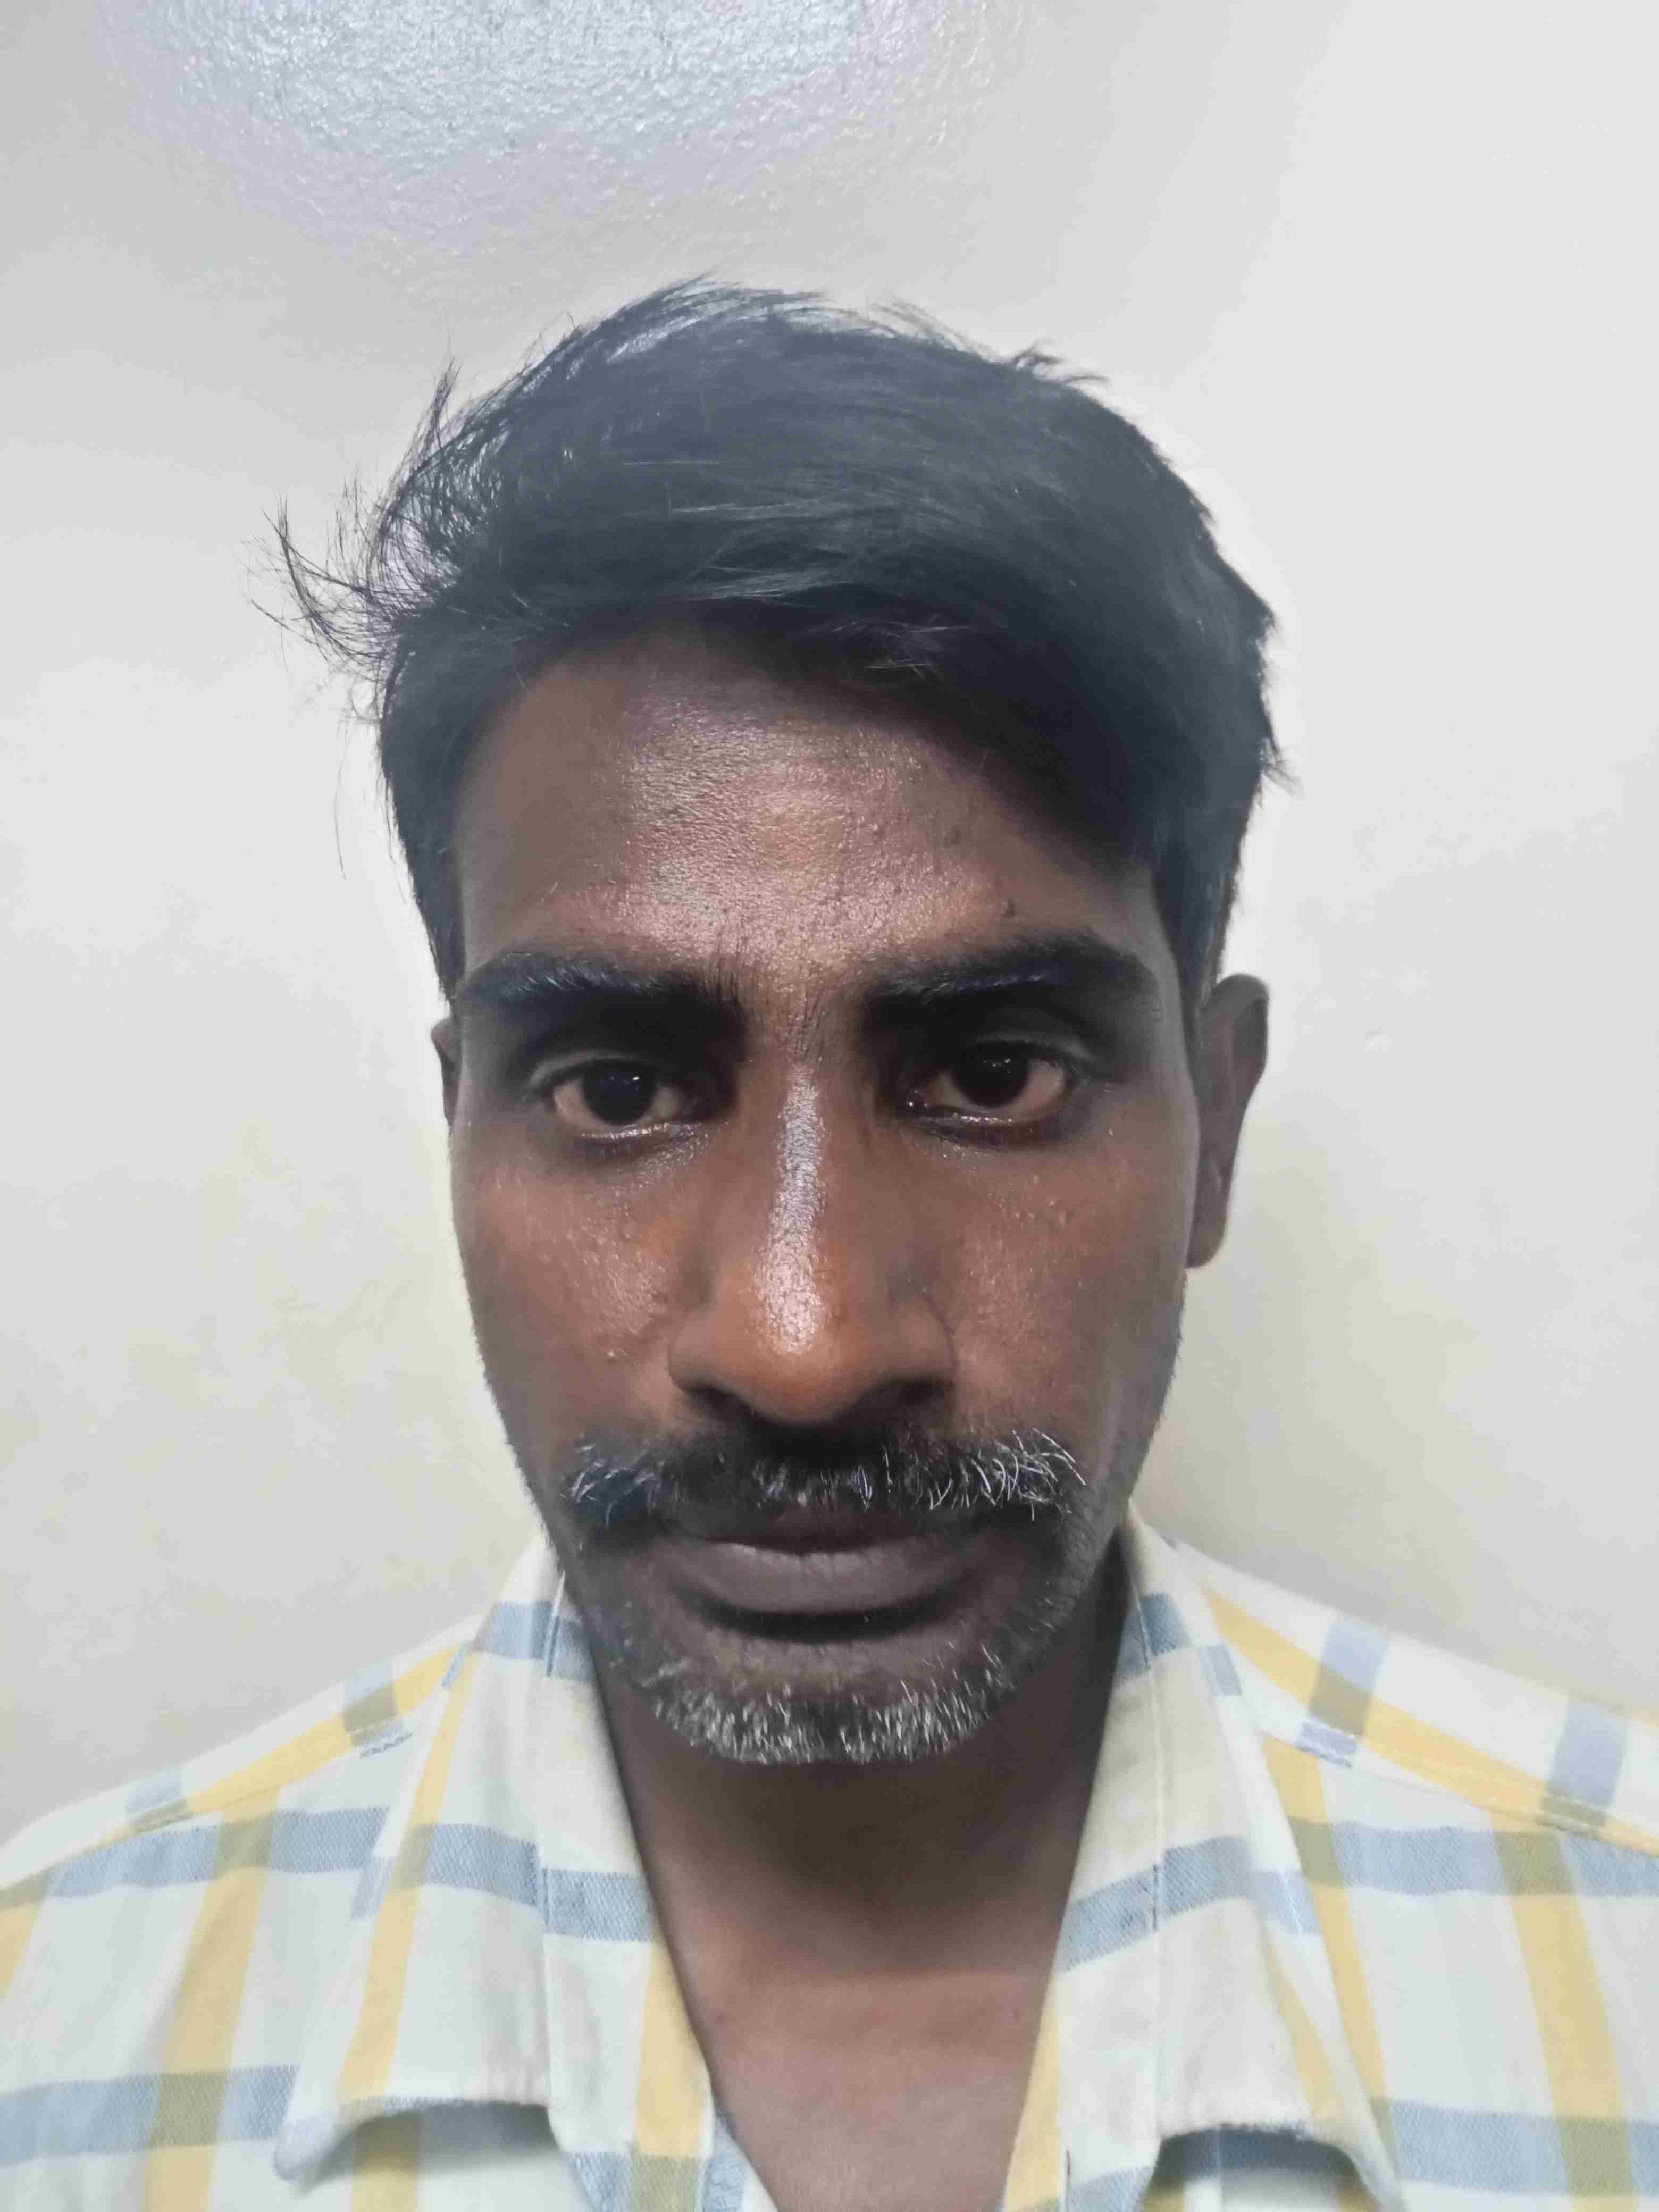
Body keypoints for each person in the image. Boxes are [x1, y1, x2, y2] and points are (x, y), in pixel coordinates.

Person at [2, 285, 1653, 2212]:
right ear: (461, 1119)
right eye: (621, 1089)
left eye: (993, 1072)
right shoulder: (52, 2037)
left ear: (1214, 1125)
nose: (803, 1340)